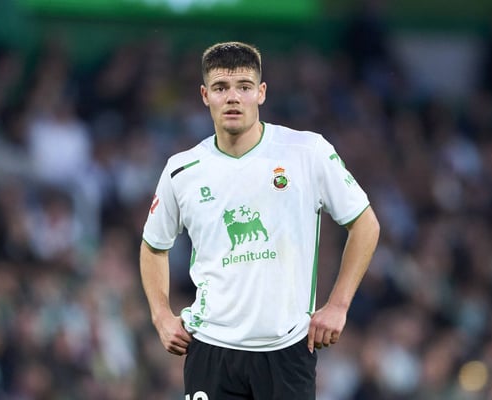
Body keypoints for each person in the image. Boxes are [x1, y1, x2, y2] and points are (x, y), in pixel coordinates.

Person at [140, 41, 380, 400]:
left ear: (261, 92)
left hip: (287, 350)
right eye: (221, 88)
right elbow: (153, 246)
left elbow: (365, 224)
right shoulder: (182, 170)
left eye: (244, 87)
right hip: (211, 347)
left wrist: (338, 305)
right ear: (205, 95)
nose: (233, 98)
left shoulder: (307, 152)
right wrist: (161, 316)